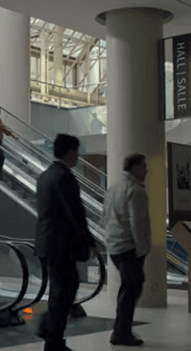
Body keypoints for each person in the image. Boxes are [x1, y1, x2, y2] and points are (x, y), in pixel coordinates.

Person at [35, 134, 97, 351]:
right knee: (66, 289)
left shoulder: (44, 176)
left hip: (46, 242)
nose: (77, 158)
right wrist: (88, 240)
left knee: (59, 289)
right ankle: (53, 339)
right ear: (70, 152)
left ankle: (50, 331)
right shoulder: (65, 177)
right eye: (76, 153)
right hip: (61, 244)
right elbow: (74, 212)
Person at [103, 153, 150, 347]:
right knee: (131, 288)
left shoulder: (113, 187)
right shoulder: (135, 189)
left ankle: (122, 329)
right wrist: (142, 248)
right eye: (144, 166)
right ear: (135, 167)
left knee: (129, 286)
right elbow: (137, 223)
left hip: (114, 245)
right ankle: (121, 331)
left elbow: (103, 215)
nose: (146, 170)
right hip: (129, 246)